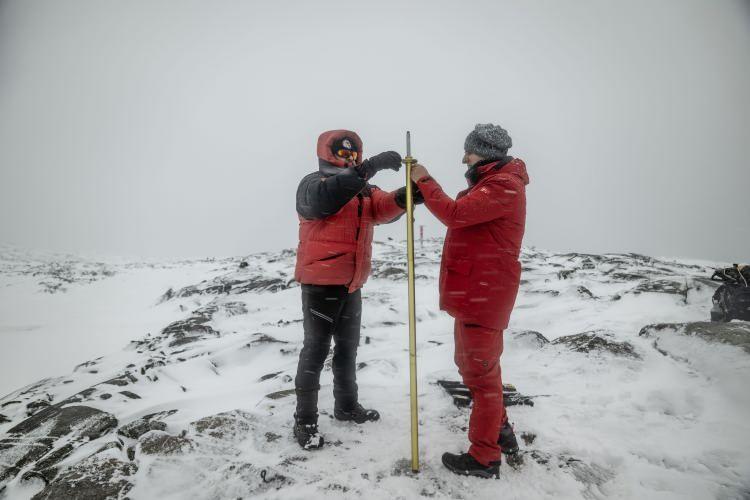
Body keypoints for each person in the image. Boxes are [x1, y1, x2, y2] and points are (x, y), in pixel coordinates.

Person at [410, 123, 529, 478]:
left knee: (481, 377)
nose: (464, 158)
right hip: (476, 294)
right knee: (473, 367)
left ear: (487, 153)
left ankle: (484, 457)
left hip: (484, 295)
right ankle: (501, 432)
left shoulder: (502, 186)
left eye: (470, 152)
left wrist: (424, 179)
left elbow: (454, 215)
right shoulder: (491, 184)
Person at [293, 129, 423, 450]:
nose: (350, 157)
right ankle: (305, 421)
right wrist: (369, 167)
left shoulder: (364, 189)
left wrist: (408, 196)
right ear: (327, 152)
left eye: (354, 153)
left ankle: (346, 406)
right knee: (316, 352)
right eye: (343, 152)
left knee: (347, 350)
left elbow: (381, 208)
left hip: (352, 283)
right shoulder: (312, 185)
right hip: (321, 283)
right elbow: (327, 200)